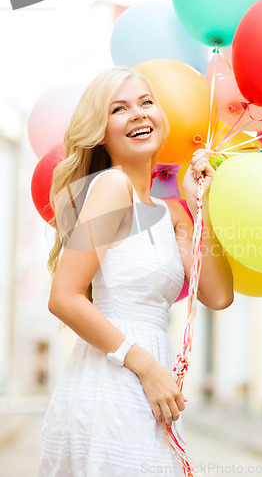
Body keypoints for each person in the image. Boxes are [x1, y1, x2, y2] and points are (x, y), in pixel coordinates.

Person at [39, 66, 234, 476]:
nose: (139, 114)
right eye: (120, 109)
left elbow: (217, 295)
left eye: (147, 103)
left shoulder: (173, 213)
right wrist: (144, 366)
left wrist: (200, 205)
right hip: (113, 381)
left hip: (153, 387)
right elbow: (64, 297)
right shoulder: (112, 187)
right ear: (100, 130)